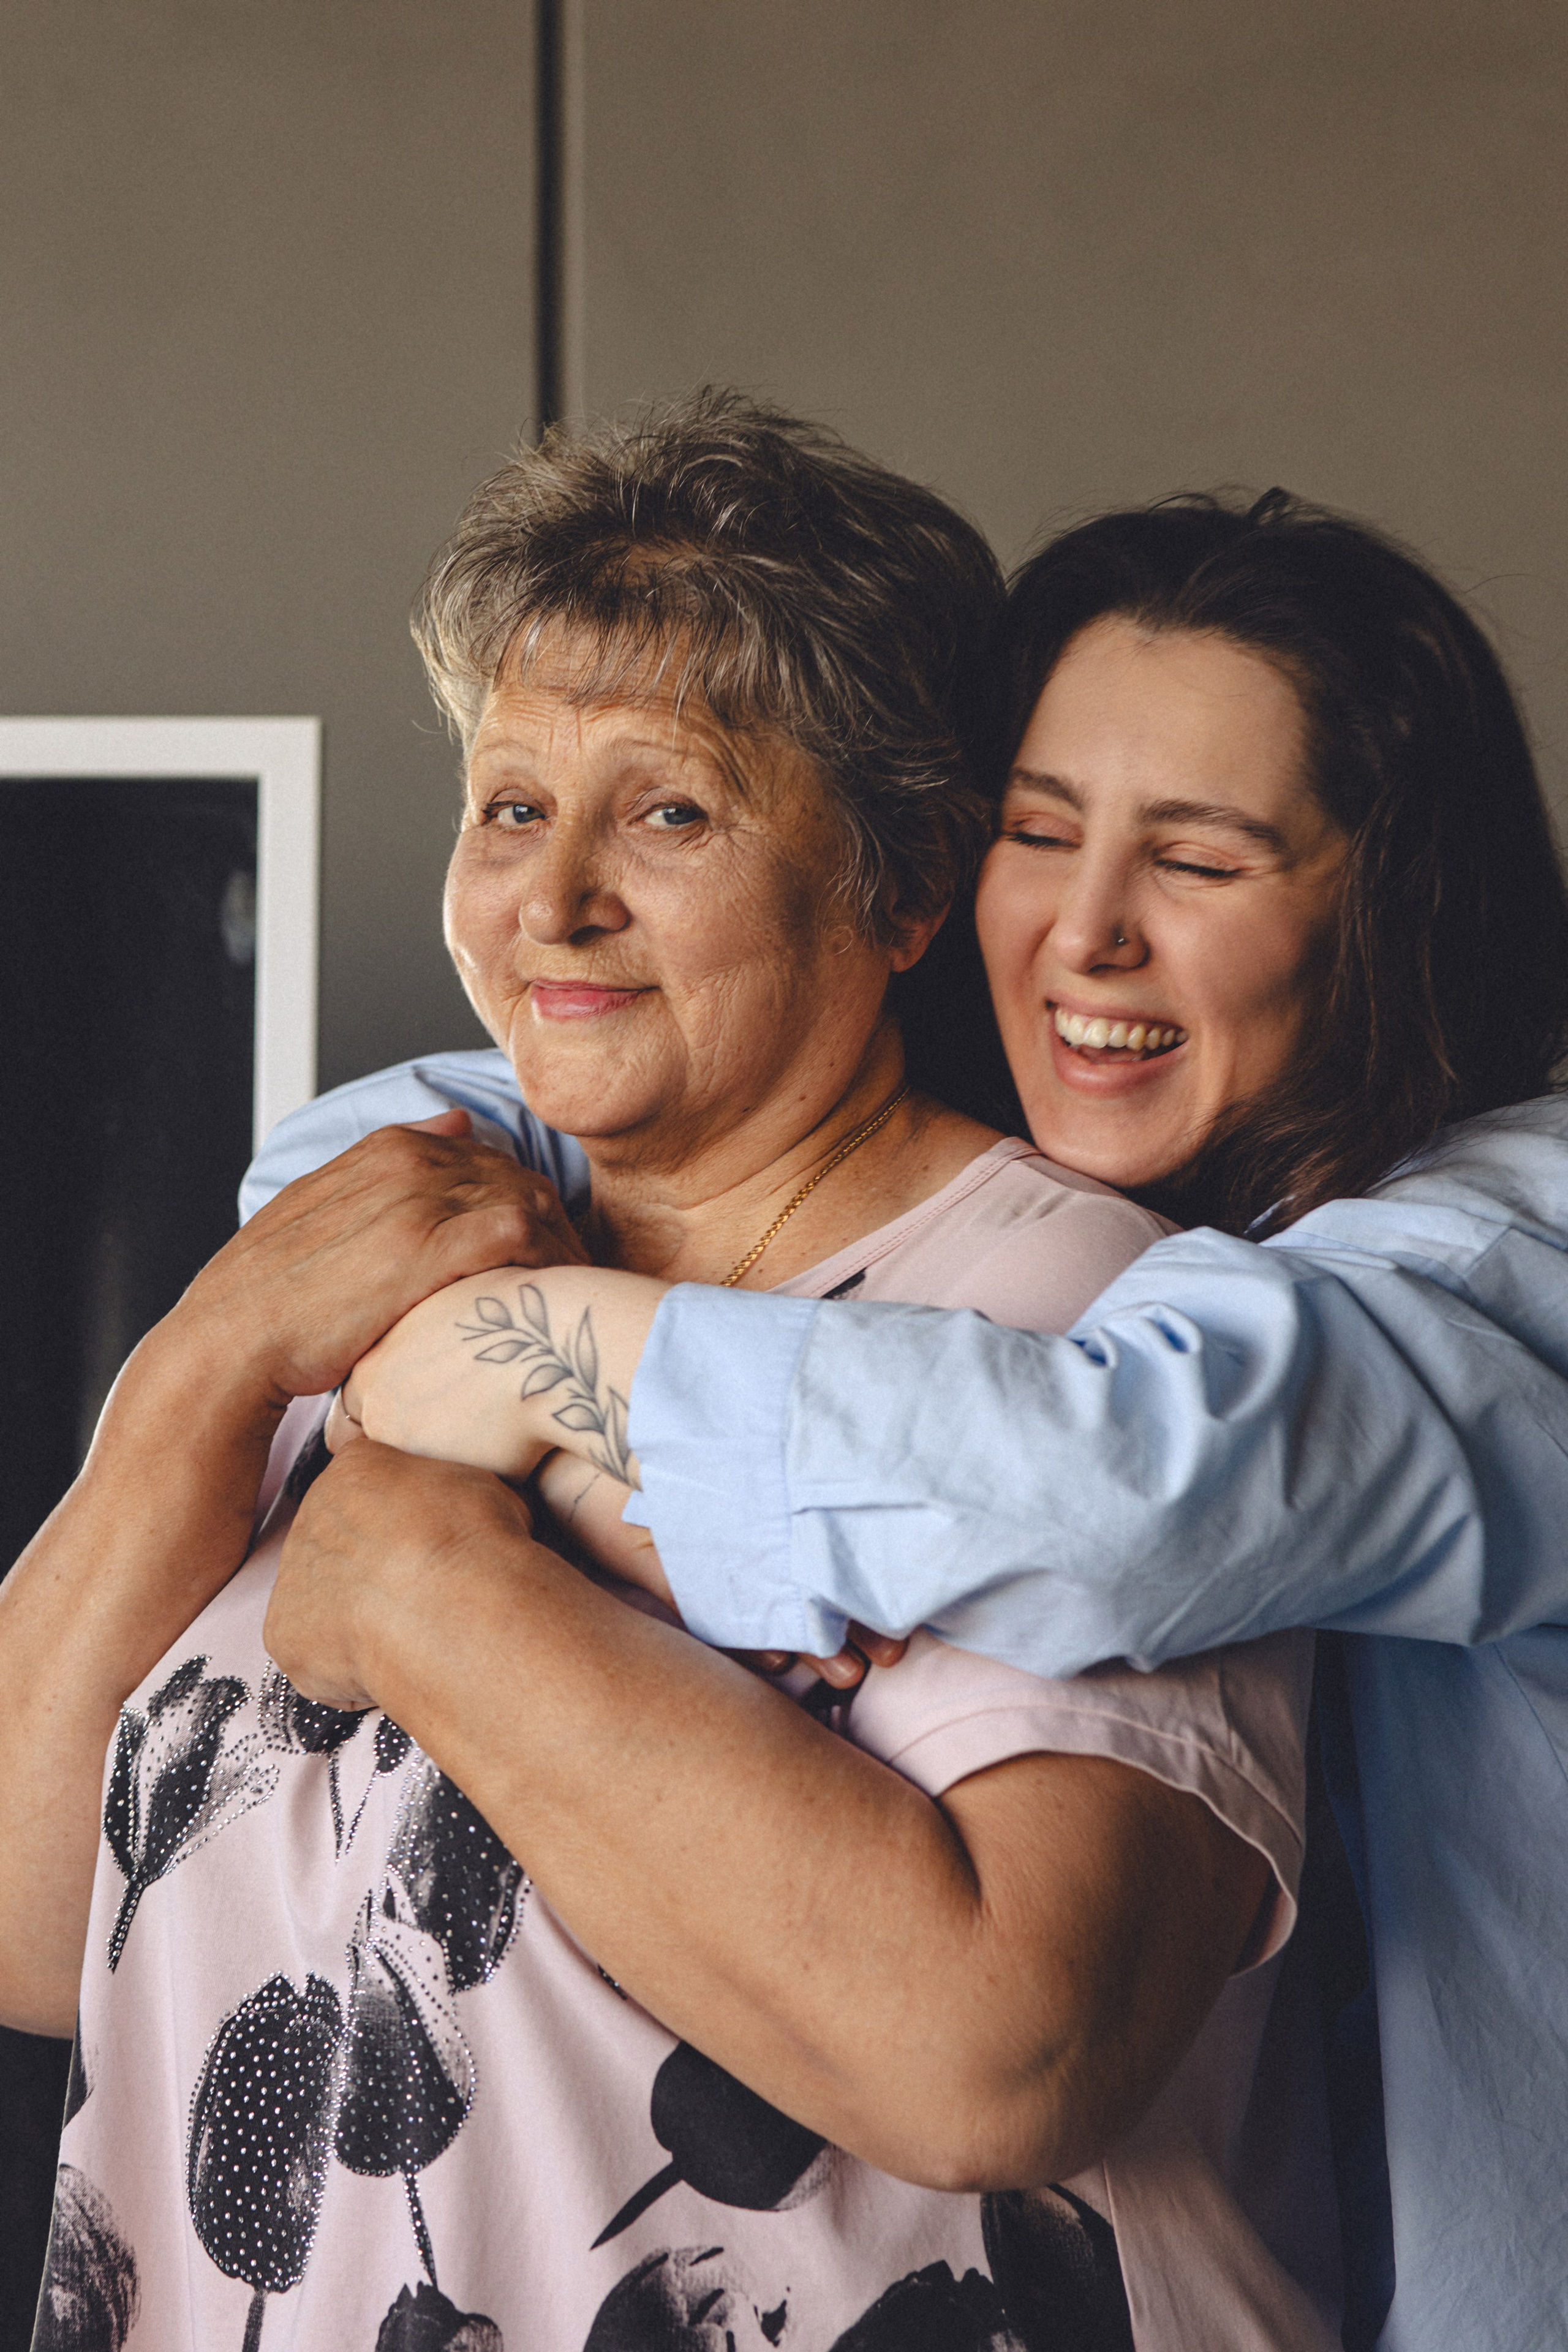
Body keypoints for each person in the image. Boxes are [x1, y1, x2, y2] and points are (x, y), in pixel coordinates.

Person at [3, 401, 1338, 2352]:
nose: (554, 901)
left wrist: (431, 1574)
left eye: (672, 812)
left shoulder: (1065, 1327)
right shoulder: (384, 1244)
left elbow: (1001, 2055)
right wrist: (215, 1355)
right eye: (514, 804)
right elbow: (43, 1926)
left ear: (897, 892)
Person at [302, 489, 1568, 2352]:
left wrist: (535, 1365)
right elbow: (377, 1143)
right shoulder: (1119, 1188)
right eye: (1038, 836)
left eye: (1200, 865)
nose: (1087, 934)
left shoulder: (1498, 1253)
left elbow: (1120, 1488)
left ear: (1392, 912)